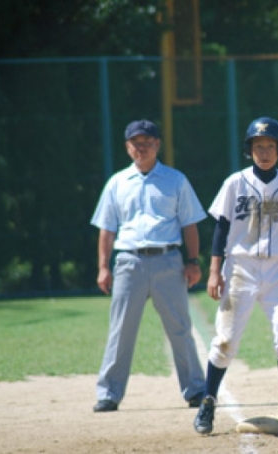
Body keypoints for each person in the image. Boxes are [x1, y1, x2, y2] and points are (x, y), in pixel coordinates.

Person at [193, 117, 278, 436]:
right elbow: (221, 228)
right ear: (250, 150)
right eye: (258, 146)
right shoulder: (235, 183)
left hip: (277, 270)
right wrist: (214, 271)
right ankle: (207, 402)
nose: (264, 152)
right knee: (224, 341)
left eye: (270, 146)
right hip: (240, 269)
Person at [90, 119, 207, 412]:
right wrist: (103, 267)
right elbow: (107, 229)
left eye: (147, 142)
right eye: (135, 142)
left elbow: (189, 224)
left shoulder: (175, 180)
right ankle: (109, 393)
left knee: (180, 328)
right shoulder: (117, 183)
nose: (141, 147)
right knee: (121, 330)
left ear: (157, 145)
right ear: (127, 147)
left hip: (168, 259)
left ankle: (195, 389)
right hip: (129, 262)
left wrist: (193, 261)